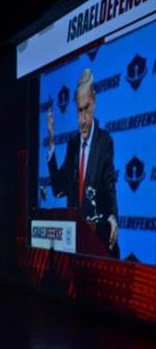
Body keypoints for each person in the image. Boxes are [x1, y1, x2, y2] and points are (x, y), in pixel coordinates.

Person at [47, 68, 119, 257]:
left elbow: (108, 185)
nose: (82, 119)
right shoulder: (72, 144)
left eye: (86, 108)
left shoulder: (104, 142)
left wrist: (112, 217)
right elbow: (58, 188)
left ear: (93, 103)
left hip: (97, 239)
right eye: (79, 110)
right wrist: (52, 142)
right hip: (74, 242)